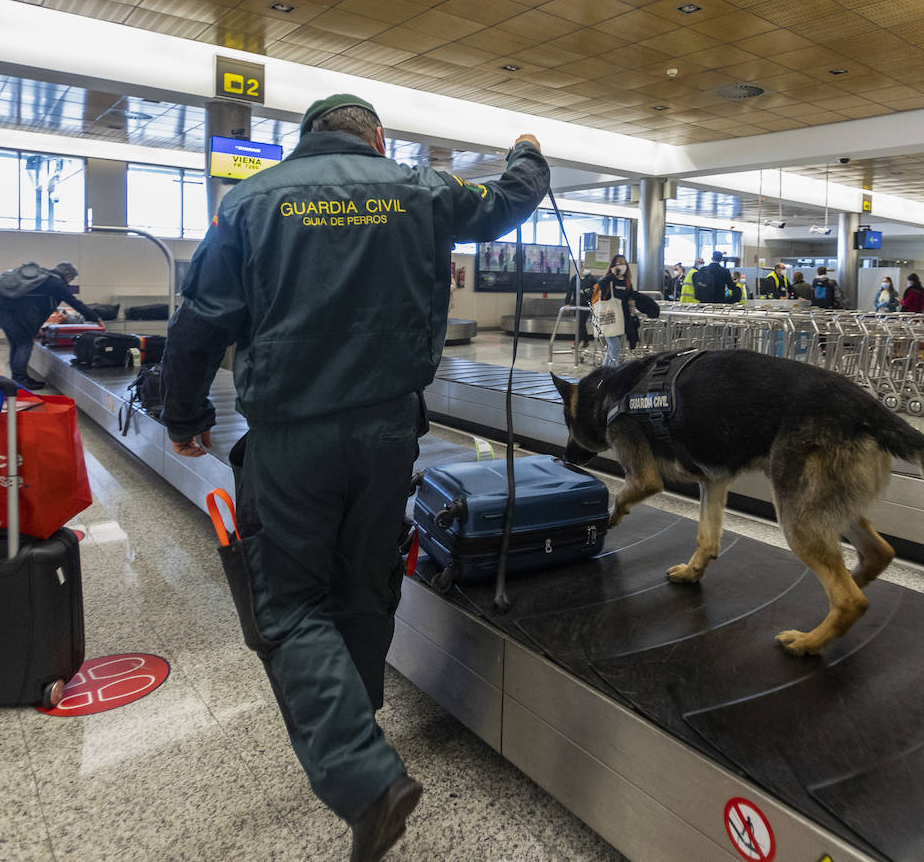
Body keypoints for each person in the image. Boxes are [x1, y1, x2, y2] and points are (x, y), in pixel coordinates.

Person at [160, 93, 548, 860]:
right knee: (366, 583)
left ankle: (366, 778)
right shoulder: (420, 188)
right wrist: (527, 150)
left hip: (292, 436)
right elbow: (508, 202)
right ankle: (358, 724)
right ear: (375, 136)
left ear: (306, 137)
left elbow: (201, 317)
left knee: (285, 603)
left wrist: (182, 412)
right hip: (386, 431)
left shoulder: (249, 201)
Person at [0, 260, 102, 388]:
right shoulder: (56, 283)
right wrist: (96, 319)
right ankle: (20, 380)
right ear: (68, 275)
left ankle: (19, 377)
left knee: (17, 342)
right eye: (71, 279)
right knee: (24, 342)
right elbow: (75, 303)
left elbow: (34, 307)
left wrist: (35, 328)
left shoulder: (42, 278)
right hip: (4, 309)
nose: (70, 282)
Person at [594, 254, 640, 366]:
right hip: (610, 317)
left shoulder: (627, 281)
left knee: (612, 348)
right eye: (619, 263)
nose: (622, 266)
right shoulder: (609, 280)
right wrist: (612, 274)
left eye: (624, 263)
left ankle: (604, 371)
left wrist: (633, 313)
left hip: (623, 318)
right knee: (615, 347)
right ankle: (614, 373)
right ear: (613, 265)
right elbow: (601, 284)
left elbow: (630, 298)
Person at [563, 268, 598, 348]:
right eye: (580, 268)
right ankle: (586, 341)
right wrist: (567, 303)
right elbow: (570, 290)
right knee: (579, 323)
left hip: (586, 304)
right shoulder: (575, 278)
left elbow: (596, 290)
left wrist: (595, 303)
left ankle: (578, 341)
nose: (582, 270)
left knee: (581, 322)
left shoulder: (591, 279)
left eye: (583, 268)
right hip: (576, 304)